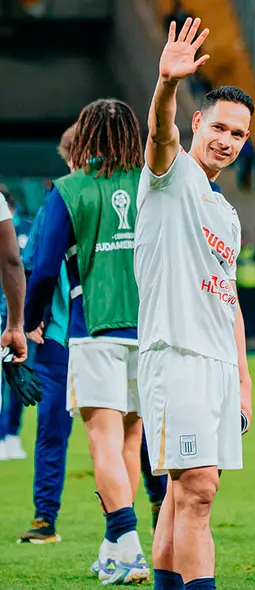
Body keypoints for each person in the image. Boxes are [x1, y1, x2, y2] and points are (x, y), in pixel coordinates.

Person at [136, 17, 254, 590]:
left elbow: (229, 300)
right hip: (175, 355)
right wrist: (166, 84)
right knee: (200, 490)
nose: (227, 140)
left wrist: (244, 380)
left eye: (239, 135)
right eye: (220, 127)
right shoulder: (170, 174)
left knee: (183, 494)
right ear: (197, 122)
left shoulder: (226, 214)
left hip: (217, 367)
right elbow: (159, 133)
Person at [23, 98, 151, 583]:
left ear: (84, 137)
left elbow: (43, 269)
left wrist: (31, 319)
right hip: (150, 331)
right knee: (132, 439)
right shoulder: (150, 182)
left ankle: (130, 546)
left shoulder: (70, 189)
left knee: (103, 443)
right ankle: (113, 547)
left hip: (95, 331)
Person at [16, 124, 74, 544]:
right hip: (70, 337)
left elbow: (31, 266)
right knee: (133, 432)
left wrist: (25, 321)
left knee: (52, 431)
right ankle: (156, 511)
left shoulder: (64, 199)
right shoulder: (59, 203)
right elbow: (32, 267)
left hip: (60, 339)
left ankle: (44, 520)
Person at [0, 186, 31, 460]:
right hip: (12, 318)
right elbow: (12, 263)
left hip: (12, 314)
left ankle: (12, 434)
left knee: (15, 377)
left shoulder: (27, 228)